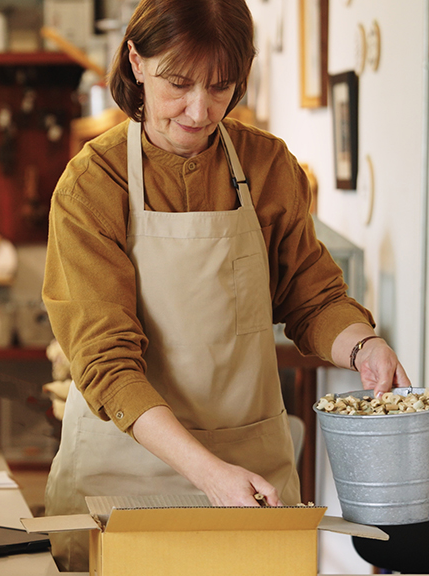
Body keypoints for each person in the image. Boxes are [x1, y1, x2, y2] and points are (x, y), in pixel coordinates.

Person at [41, 0, 411, 571]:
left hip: (252, 478)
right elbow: (107, 364)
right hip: (122, 482)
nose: (199, 110)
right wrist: (208, 473)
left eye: (220, 87)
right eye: (178, 83)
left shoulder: (268, 166)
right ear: (136, 61)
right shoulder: (93, 184)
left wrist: (363, 346)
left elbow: (312, 297)